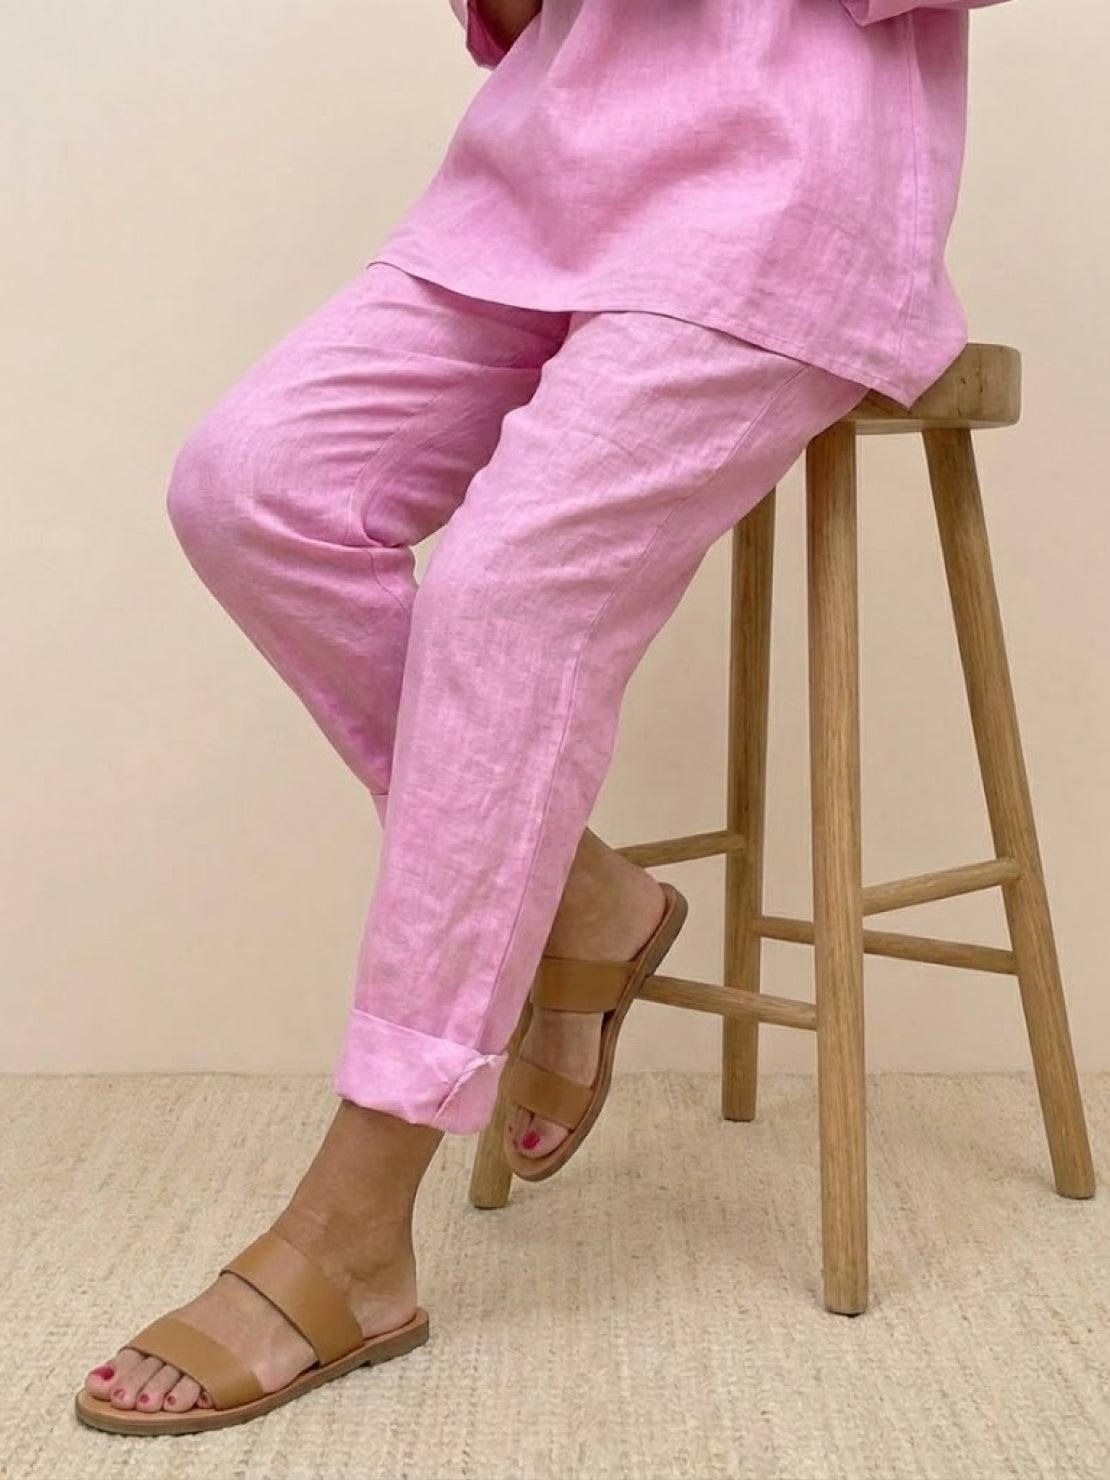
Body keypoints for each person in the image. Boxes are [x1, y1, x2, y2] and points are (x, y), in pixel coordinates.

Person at [77, 0, 1009, 1436]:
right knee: (249, 486)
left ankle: (355, 1228)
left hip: (773, 207)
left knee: (503, 595)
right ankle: (577, 896)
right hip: (534, 188)